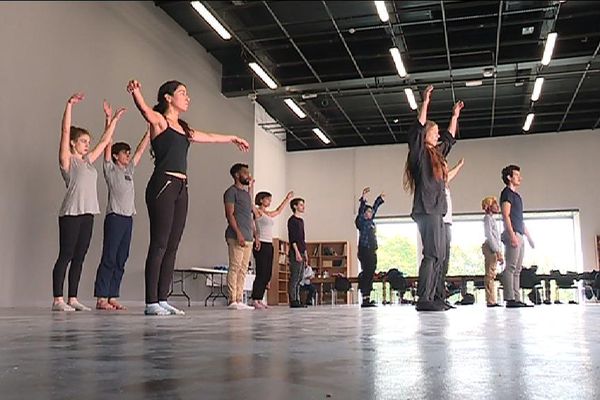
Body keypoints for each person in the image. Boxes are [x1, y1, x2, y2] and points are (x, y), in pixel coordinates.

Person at [127, 79, 249, 315]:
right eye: (183, 93)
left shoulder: (184, 128)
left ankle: (162, 298)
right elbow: (145, 111)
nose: (187, 97)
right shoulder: (160, 121)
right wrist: (137, 92)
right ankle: (151, 302)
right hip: (164, 184)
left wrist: (232, 137)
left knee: (173, 245)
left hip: (182, 188)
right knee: (160, 243)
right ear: (168, 98)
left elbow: (210, 136)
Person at [52, 93, 125, 312]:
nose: (86, 145)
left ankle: (72, 298)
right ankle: (58, 299)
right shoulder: (68, 161)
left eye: (87, 142)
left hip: (88, 213)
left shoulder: (87, 161)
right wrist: (69, 106)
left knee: (79, 257)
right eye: (83, 141)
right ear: (73, 143)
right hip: (71, 214)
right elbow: (65, 131)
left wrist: (112, 121)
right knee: (65, 255)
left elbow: (104, 142)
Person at [403, 84, 464, 312]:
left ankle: (436, 296)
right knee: (431, 254)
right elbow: (417, 129)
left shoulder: (436, 155)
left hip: (438, 210)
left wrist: (454, 116)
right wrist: (425, 102)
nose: (438, 134)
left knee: (439, 255)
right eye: (434, 131)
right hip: (426, 209)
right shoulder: (419, 154)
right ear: (427, 134)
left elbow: (448, 138)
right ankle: (424, 299)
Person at [93, 120, 150, 311]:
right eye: (125, 153)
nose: (128, 155)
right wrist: (109, 120)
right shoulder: (110, 170)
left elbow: (141, 151)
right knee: (109, 256)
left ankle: (112, 296)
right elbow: (107, 143)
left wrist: (149, 130)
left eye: (128, 152)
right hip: (115, 218)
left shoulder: (129, 171)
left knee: (121, 258)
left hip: (128, 219)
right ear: (116, 156)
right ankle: (101, 297)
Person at [250, 189, 294, 309]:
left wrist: (287, 198)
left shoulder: (268, 214)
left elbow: (279, 211)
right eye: (267, 199)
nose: (269, 201)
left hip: (269, 244)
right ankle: (255, 299)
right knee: (261, 272)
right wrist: (250, 187)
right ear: (261, 200)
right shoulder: (258, 212)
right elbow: (250, 201)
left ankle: (260, 298)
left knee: (267, 273)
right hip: (261, 243)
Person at [500, 165, 535, 308]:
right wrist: (511, 234)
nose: (520, 178)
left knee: (518, 269)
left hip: (519, 233)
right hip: (513, 233)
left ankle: (516, 297)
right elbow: (506, 215)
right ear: (509, 177)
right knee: (511, 267)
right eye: (516, 175)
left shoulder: (517, 197)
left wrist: (529, 237)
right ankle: (510, 298)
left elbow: (519, 219)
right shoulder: (506, 193)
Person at [224, 163, 257, 310]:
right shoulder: (231, 192)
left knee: (244, 269)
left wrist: (255, 235)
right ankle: (232, 300)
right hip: (236, 235)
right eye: (245, 173)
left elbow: (251, 216)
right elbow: (229, 214)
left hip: (249, 236)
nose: (248, 175)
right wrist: (238, 233)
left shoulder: (246, 195)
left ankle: (239, 298)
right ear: (237, 175)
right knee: (235, 267)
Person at [435, 158, 465, 310]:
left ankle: (440, 295)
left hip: (447, 224)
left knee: (445, 261)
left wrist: (458, 166)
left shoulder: (445, 185)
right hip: (440, 224)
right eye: (444, 168)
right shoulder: (437, 184)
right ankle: (437, 296)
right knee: (439, 261)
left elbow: (449, 175)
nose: (447, 172)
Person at [355, 187, 385, 308]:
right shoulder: (362, 222)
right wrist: (363, 199)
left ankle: (367, 297)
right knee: (367, 273)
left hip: (372, 250)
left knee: (371, 272)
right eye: (368, 212)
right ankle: (365, 297)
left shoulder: (371, 222)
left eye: (371, 212)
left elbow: (375, 209)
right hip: (364, 250)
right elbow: (361, 211)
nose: (370, 213)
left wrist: (379, 199)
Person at [481, 196, 504, 307]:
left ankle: (492, 299)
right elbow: (490, 235)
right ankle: (490, 300)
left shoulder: (491, 219)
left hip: (493, 247)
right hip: (490, 247)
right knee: (490, 274)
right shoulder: (487, 219)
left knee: (492, 274)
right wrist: (497, 250)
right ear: (490, 206)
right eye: (495, 204)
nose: (497, 206)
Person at [287, 198, 307, 308]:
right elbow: (293, 238)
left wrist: (305, 252)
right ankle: (293, 299)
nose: (303, 207)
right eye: (300, 205)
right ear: (295, 206)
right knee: (295, 276)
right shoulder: (292, 220)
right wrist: (297, 252)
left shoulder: (301, 221)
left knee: (300, 277)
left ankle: (298, 299)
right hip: (296, 251)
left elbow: (302, 238)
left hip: (302, 250)